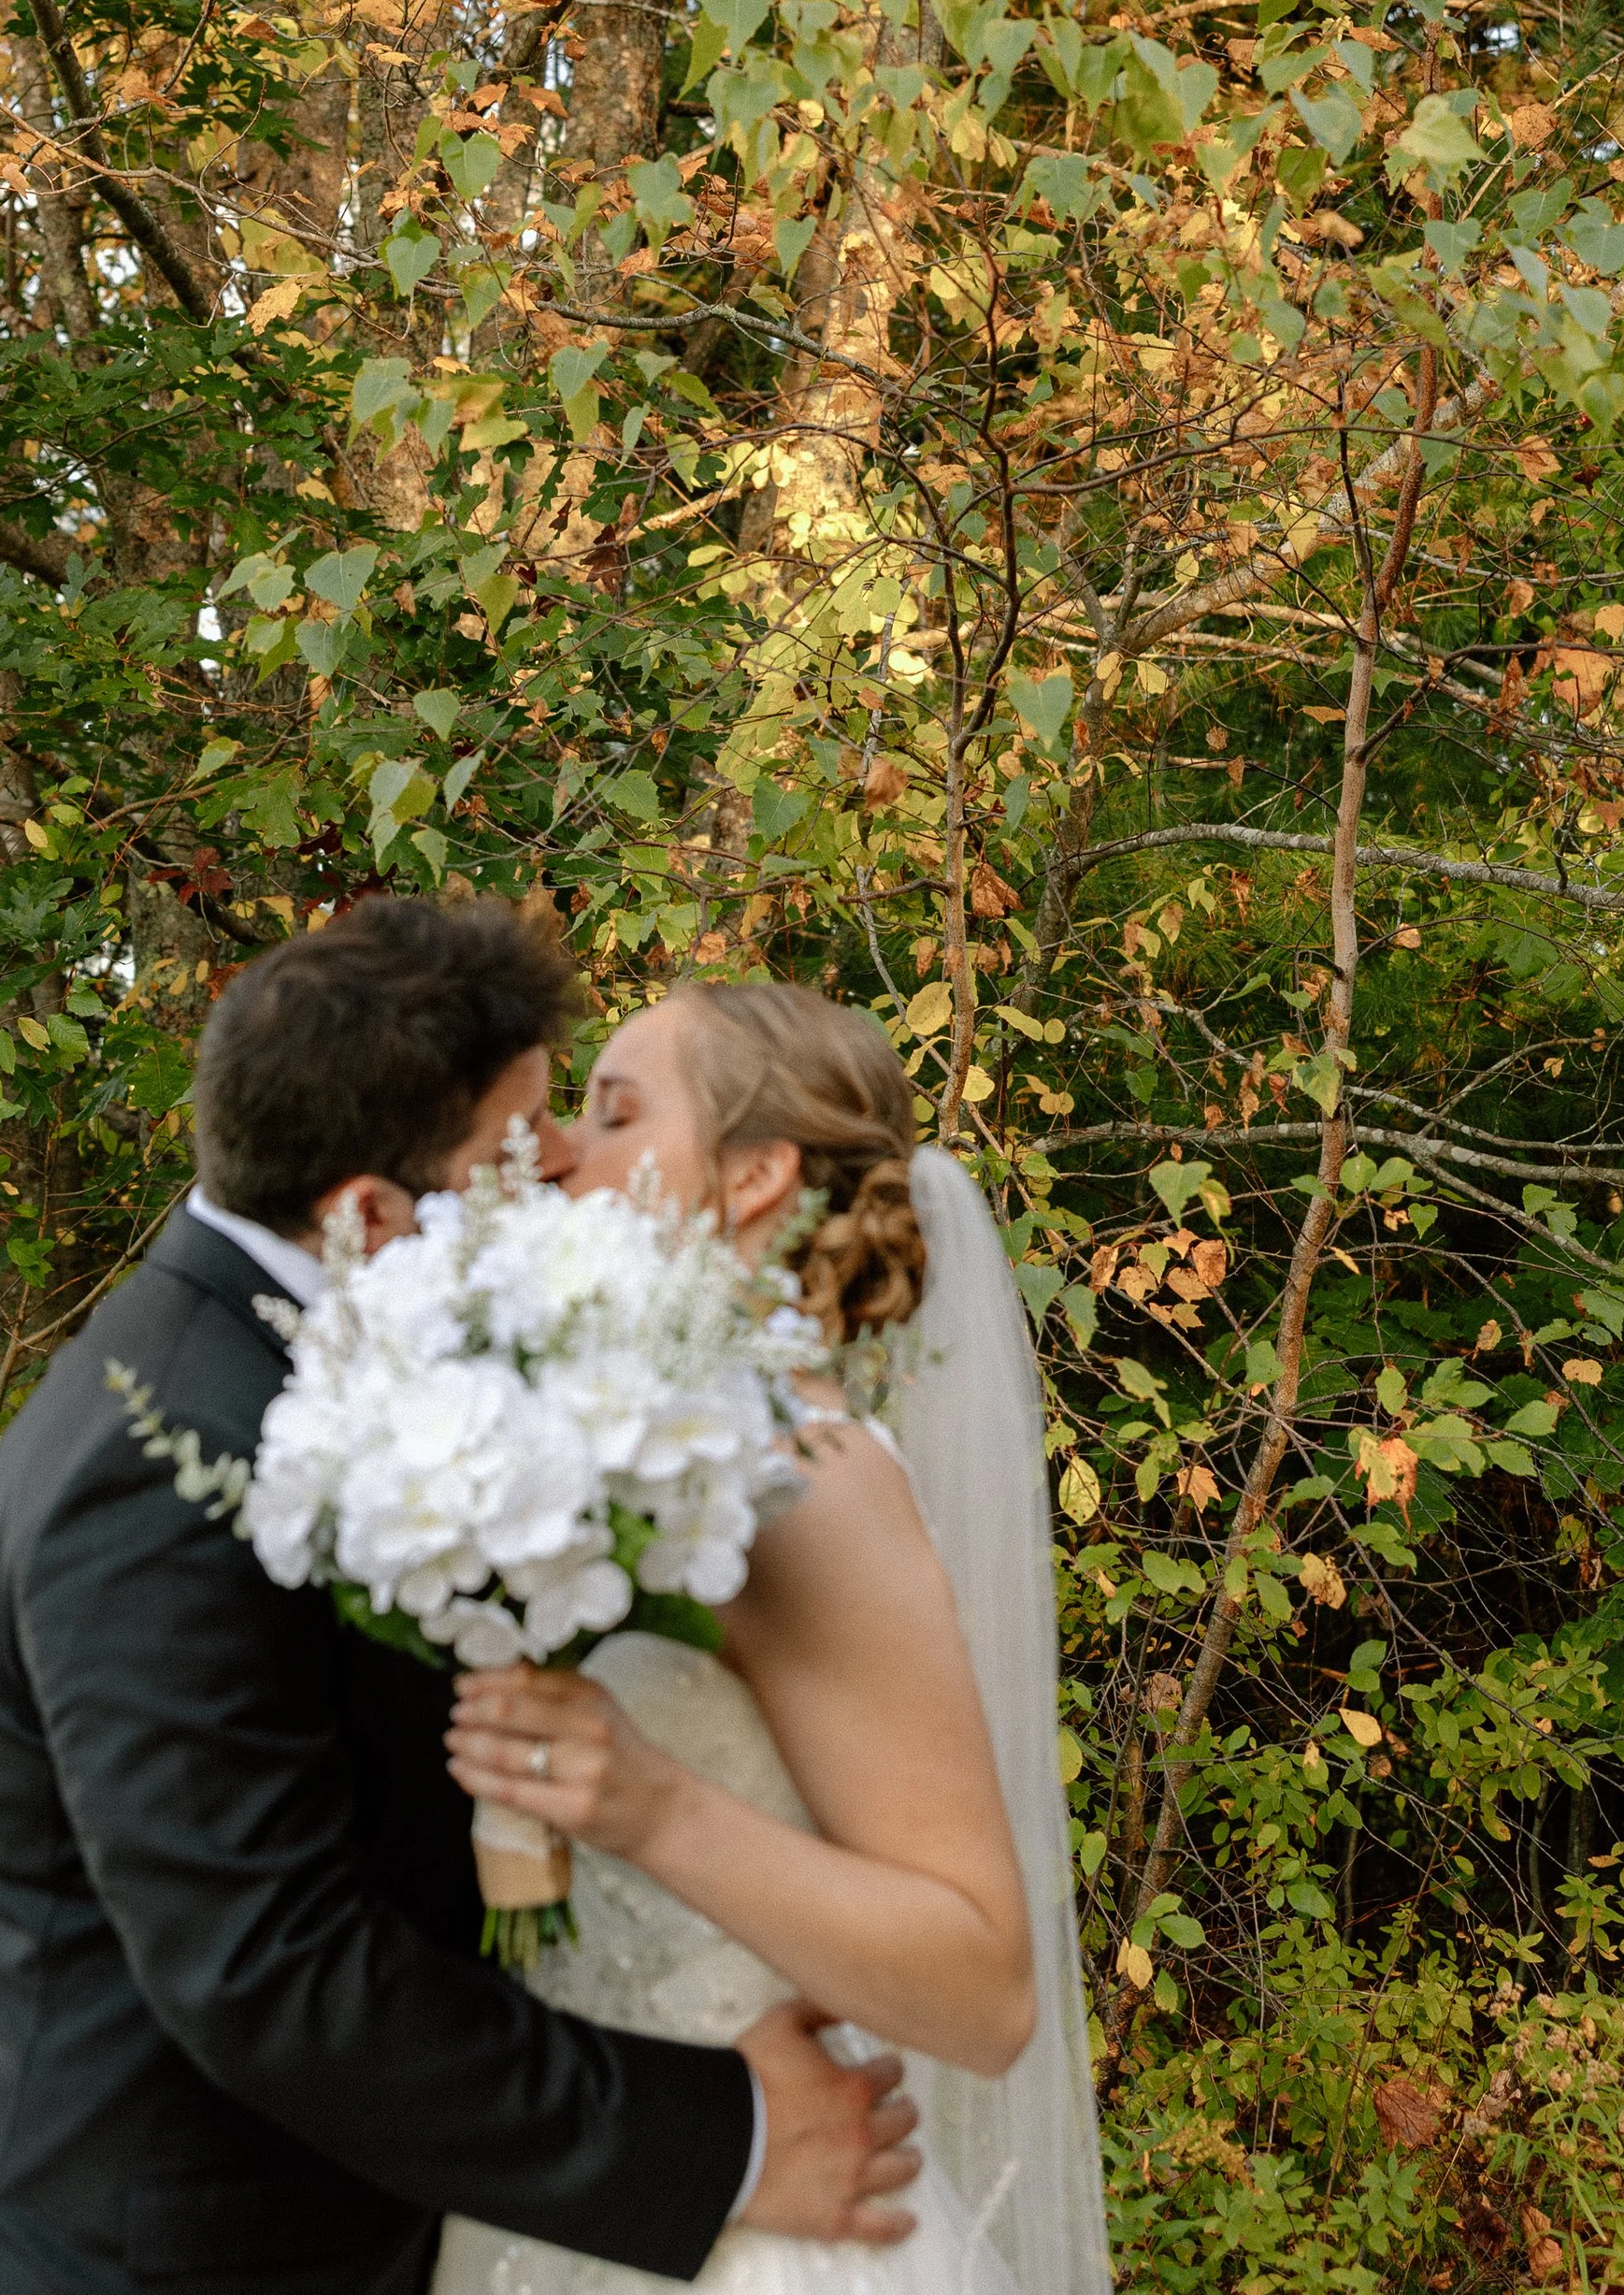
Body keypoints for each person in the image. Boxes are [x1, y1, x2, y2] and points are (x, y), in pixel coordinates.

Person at [0, 901, 919, 2295]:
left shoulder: (305, 1368)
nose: (550, 1167)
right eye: (507, 1146)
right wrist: (724, 2137)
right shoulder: (170, 1456)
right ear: (364, 1211)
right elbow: (268, 1966)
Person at [437, 980, 1114, 2295]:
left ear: (753, 1175)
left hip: (756, 2235)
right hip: (576, 2188)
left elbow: (983, 1988)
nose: (564, 1152)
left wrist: (648, 1803)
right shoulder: (587, 1454)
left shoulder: (813, 1482)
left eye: (615, 1111)